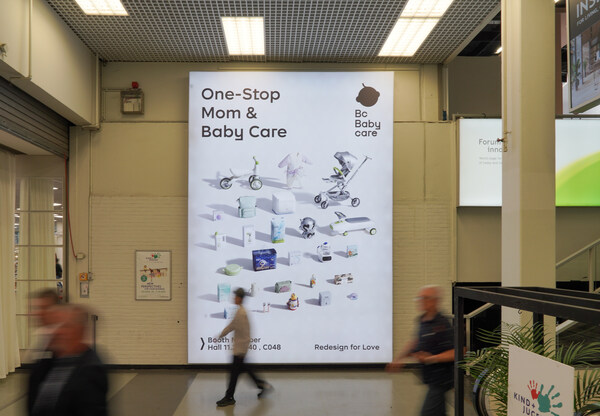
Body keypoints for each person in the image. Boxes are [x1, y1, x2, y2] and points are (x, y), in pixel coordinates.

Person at [28, 304, 108, 416]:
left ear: (79, 331)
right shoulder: (48, 361)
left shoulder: (90, 370)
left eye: (65, 326)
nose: (58, 331)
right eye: (55, 326)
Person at [387, 285, 454, 416]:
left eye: (425, 298)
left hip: (441, 380)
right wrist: (399, 359)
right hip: (430, 378)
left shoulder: (443, 323)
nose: (420, 301)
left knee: (427, 413)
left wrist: (431, 358)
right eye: (419, 298)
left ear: (435, 301)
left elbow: (458, 351)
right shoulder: (422, 320)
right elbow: (416, 342)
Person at [216, 288, 273, 407]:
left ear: (240, 298)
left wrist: (242, 351)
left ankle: (229, 397)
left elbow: (244, 333)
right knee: (245, 371)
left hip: (239, 350)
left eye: (236, 296)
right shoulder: (240, 311)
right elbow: (232, 326)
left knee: (234, 375)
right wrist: (221, 335)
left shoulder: (241, 313)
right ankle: (263, 385)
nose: (234, 298)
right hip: (239, 349)